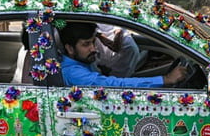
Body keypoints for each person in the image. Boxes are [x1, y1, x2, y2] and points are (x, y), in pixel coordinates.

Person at [58, 22, 187, 88]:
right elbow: (114, 85)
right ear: (70, 48)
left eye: (93, 42)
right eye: (86, 44)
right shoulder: (74, 73)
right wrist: (165, 79)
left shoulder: (82, 62)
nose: (94, 48)